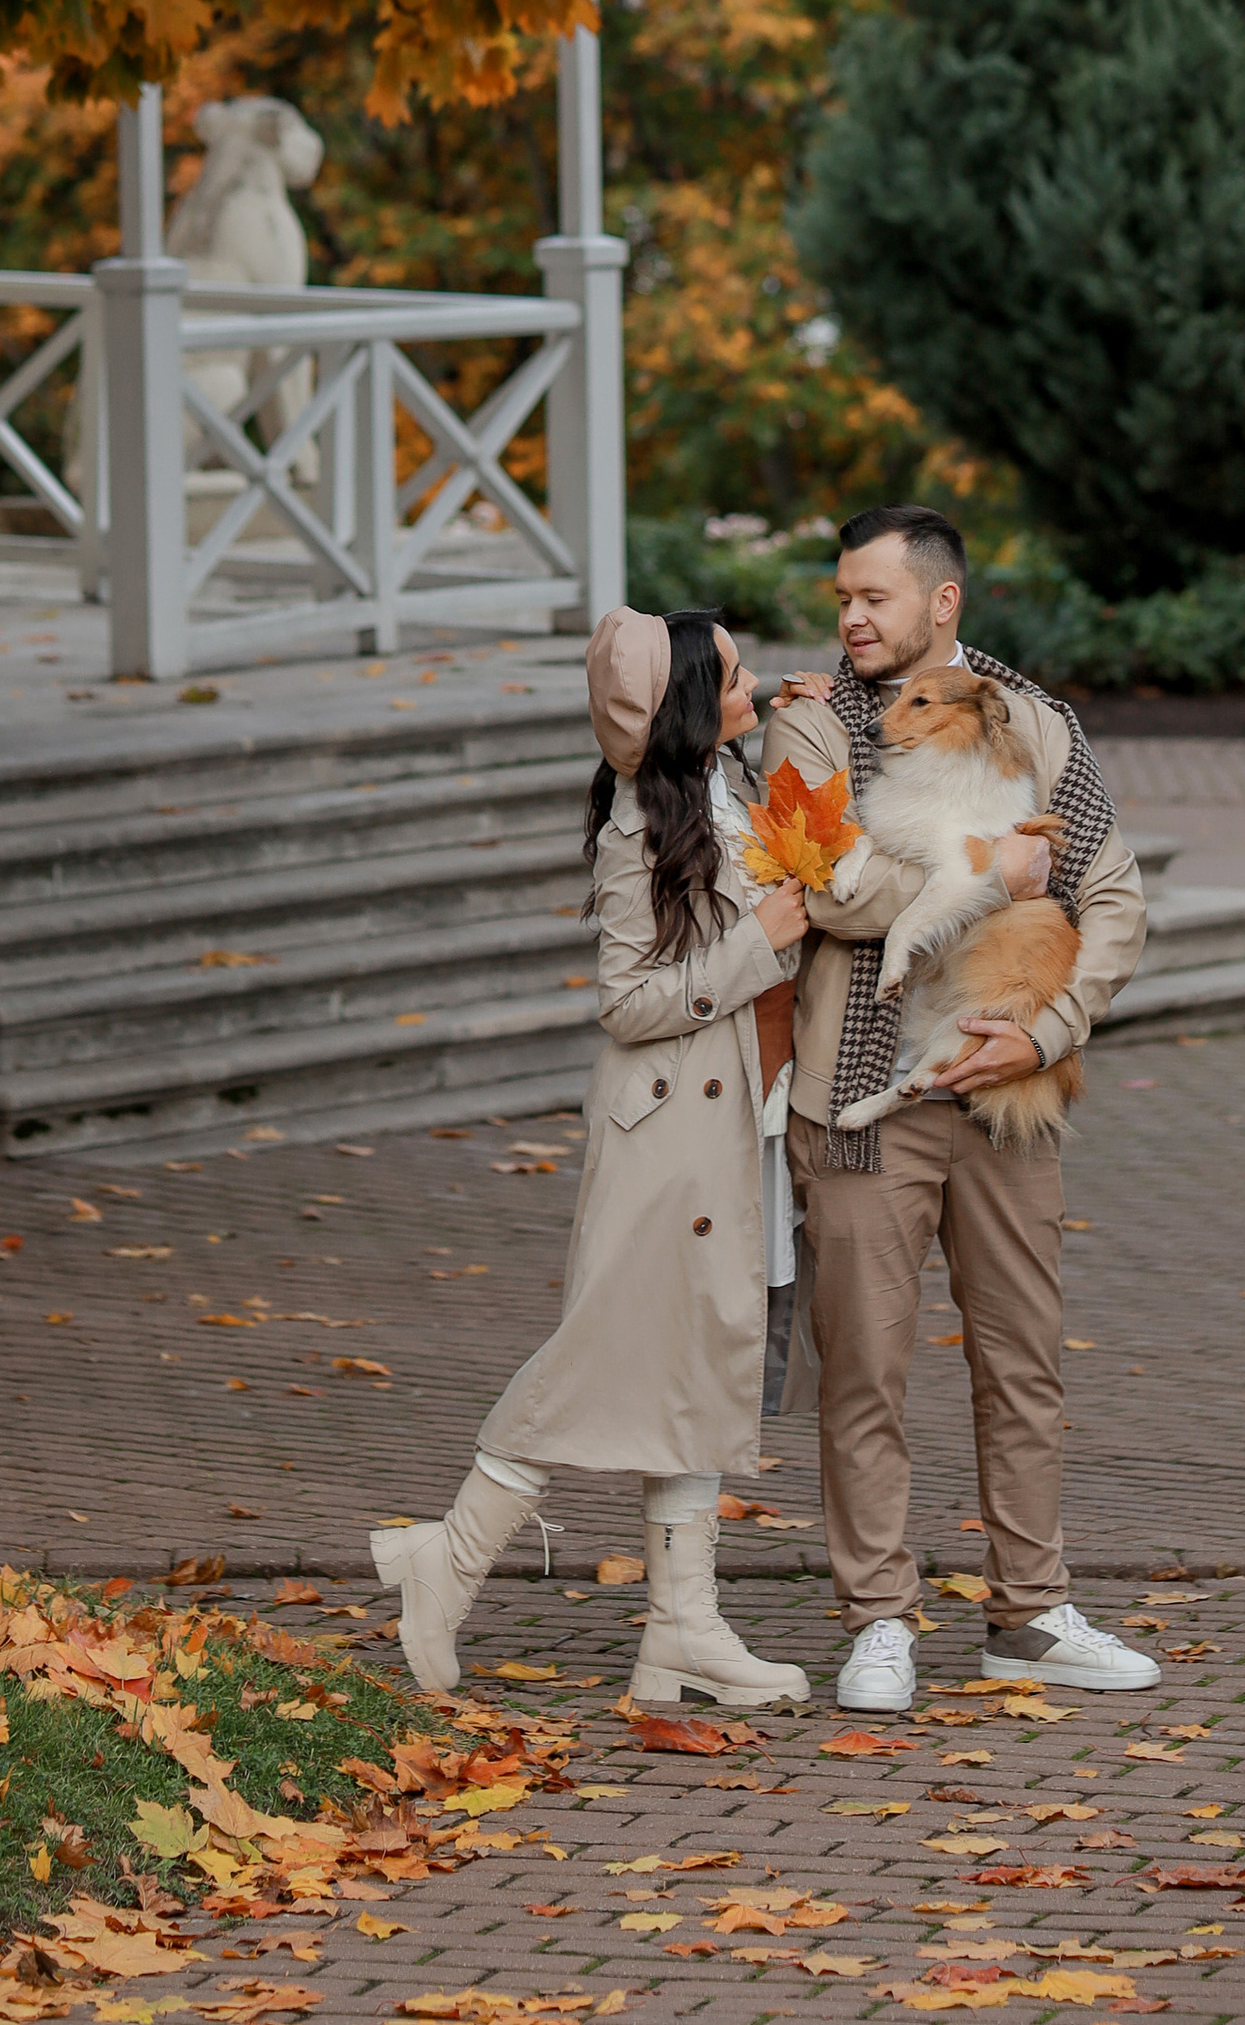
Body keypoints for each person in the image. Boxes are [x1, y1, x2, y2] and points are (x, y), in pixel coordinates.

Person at [370, 603, 812, 1708]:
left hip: (733, 1127)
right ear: (685, 710)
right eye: (734, 675)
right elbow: (629, 1004)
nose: (753, 682)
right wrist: (762, 948)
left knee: (701, 1360)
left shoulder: (726, 789)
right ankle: (449, 1557)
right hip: (667, 1142)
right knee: (598, 1361)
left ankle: (683, 1628)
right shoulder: (640, 831)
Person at [768, 504, 1162, 1712]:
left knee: (1023, 1364)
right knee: (863, 1372)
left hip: (1004, 1097)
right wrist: (992, 871)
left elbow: (1115, 892)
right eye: (842, 595)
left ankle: (1029, 1614)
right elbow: (825, 888)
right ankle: (878, 1619)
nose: (849, 618)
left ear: (941, 604)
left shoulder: (1035, 724)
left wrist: (1044, 1029)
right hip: (857, 1103)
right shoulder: (811, 724)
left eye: (873, 598)